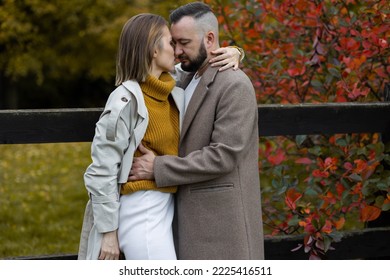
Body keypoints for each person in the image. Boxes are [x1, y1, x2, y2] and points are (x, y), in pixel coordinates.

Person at [77, 13, 242, 260]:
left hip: (163, 208)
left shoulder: (169, 87)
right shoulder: (125, 100)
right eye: (170, 42)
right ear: (154, 50)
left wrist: (237, 52)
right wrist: (109, 232)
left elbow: (198, 67)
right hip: (141, 211)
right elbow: (101, 169)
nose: (176, 51)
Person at [129, 2, 264, 260]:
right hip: (185, 220)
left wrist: (158, 168)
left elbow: (223, 156)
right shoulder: (184, 77)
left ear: (210, 39)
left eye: (184, 43)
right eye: (173, 43)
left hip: (222, 225)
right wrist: (238, 50)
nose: (177, 51)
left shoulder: (235, 85)